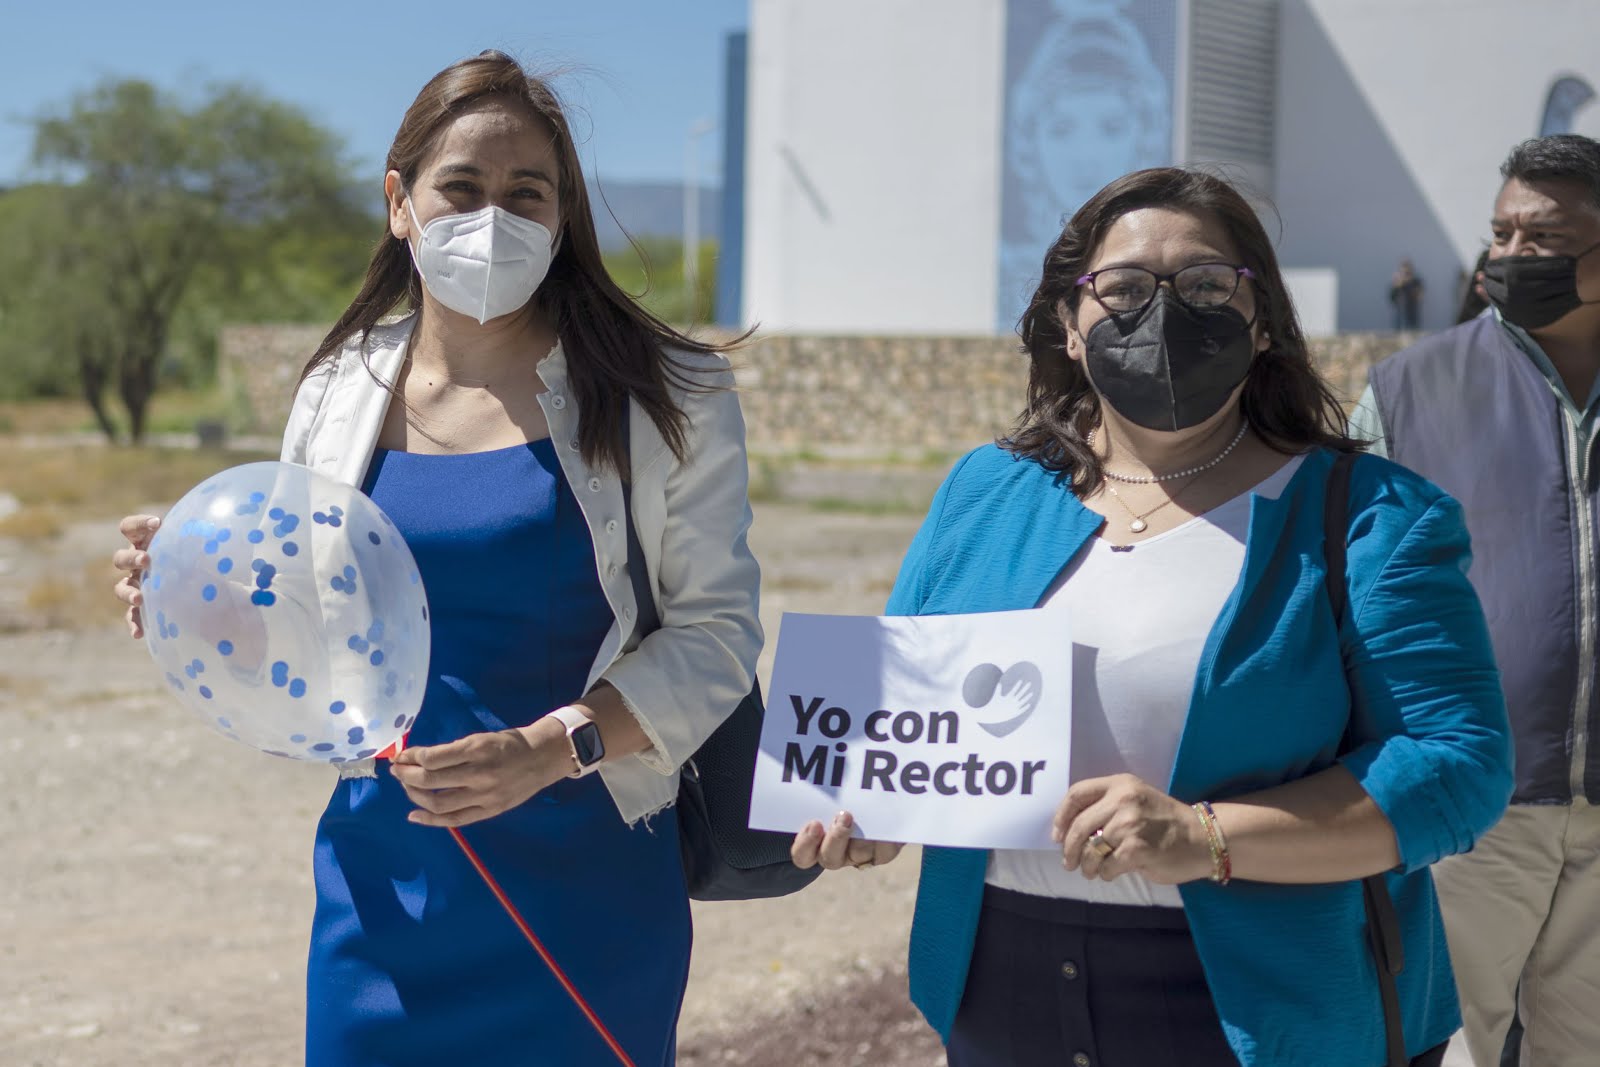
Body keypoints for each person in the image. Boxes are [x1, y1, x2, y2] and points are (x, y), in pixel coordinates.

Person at [110, 51, 762, 1066]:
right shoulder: (337, 388)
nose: (492, 217)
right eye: (461, 187)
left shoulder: (665, 395)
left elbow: (718, 634)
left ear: (561, 216)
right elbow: (301, 621)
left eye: (525, 193)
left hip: (584, 889)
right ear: (399, 203)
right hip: (383, 887)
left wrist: (550, 748)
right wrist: (195, 577)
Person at [792, 167, 1513, 1067]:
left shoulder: (1373, 514)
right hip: (999, 987)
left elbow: (1456, 768)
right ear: (1068, 319)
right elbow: (896, 711)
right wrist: (871, 808)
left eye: (1208, 285)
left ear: (1263, 322)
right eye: (1123, 289)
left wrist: (1202, 836)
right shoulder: (986, 491)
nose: (1162, 313)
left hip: (1267, 1008)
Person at [1349, 133, 1600, 1067]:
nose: (1513, 256)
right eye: (1501, 234)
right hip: (1470, 801)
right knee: (1448, 1051)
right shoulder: (1409, 391)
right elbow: (1349, 585)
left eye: (1544, 236)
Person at [1390, 258, 1425, 330]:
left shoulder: (1416, 282)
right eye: (1404, 272)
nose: (1405, 275)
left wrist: (1410, 284)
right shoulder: (1398, 282)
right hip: (1400, 318)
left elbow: (1420, 297)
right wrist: (1397, 286)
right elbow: (1391, 298)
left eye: (1407, 272)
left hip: (1412, 317)